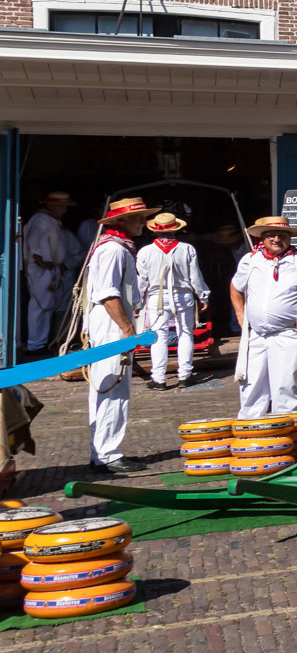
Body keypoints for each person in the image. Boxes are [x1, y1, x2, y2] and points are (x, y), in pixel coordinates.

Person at [230, 218, 297, 417]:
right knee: (250, 384)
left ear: (289, 238)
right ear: (262, 238)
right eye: (270, 235)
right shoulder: (251, 260)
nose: (276, 239)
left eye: (281, 235)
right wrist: (240, 314)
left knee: (286, 386)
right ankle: (250, 426)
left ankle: (286, 427)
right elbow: (235, 286)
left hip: (287, 334)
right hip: (255, 335)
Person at [83, 197, 154, 474]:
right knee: (113, 387)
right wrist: (127, 329)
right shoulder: (113, 249)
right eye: (138, 217)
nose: (143, 222)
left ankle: (101, 451)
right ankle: (108, 454)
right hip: (111, 323)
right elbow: (108, 294)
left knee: (107, 385)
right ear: (121, 220)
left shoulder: (116, 246)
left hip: (110, 321)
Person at [136, 213, 210, 390]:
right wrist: (203, 295)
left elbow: (141, 281)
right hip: (183, 296)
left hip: (156, 298)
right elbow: (195, 277)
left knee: (158, 337)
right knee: (185, 334)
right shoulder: (187, 249)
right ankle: (185, 376)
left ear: (155, 231)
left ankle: (159, 378)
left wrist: (137, 303)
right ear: (175, 229)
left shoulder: (145, 252)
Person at [23, 191, 72, 355]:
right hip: (42, 269)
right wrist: (43, 264)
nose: (64, 210)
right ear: (51, 205)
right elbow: (33, 244)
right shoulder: (41, 220)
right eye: (61, 206)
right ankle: (35, 344)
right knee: (40, 306)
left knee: (47, 305)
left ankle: (41, 342)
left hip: (49, 267)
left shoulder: (50, 220)